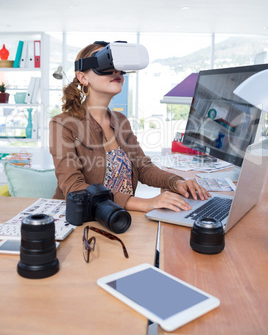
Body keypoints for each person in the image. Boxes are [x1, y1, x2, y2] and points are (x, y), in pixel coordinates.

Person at [49, 41, 210, 213]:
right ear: (83, 77)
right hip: (80, 218)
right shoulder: (63, 124)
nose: (116, 71)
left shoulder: (120, 121)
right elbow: (75, 188)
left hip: (119, 219)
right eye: (105, 64)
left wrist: (177, 182)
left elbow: (143, 167)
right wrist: (145, 203)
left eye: (118, 65)